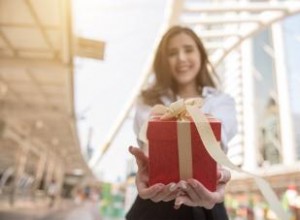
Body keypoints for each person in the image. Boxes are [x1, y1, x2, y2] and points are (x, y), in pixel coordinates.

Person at [126, 26, 238, 220]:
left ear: (201, 54)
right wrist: (147, 167)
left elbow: (218, 139)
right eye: (172, 53)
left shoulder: (222, 101)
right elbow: (149, 143)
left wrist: (217, 173)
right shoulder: (148, 100)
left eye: (188, 49)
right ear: (163, 61)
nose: (181, 58)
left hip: (207, 201)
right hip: (155, 200)